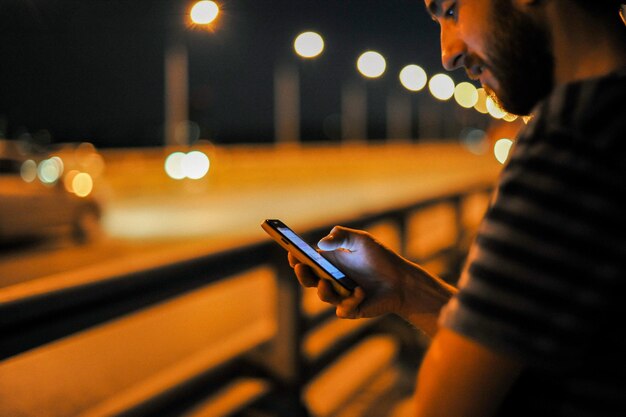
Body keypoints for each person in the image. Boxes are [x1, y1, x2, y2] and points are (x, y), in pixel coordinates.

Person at [289, 1, 626, 416]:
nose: (448, 53)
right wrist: (409, 289)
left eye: (451, 11)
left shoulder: (574, 136)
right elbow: (533, 345)